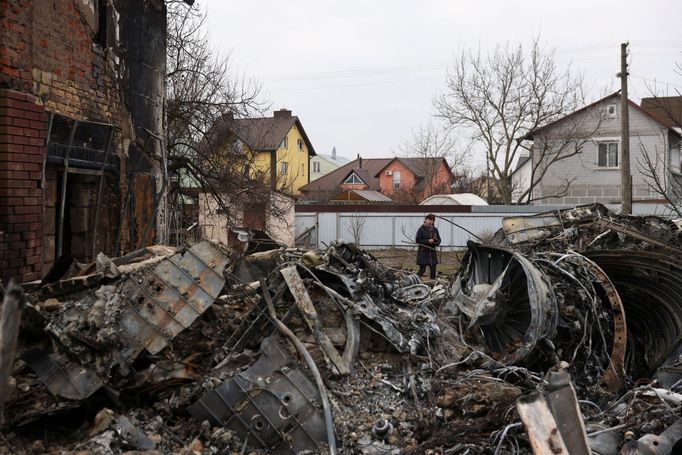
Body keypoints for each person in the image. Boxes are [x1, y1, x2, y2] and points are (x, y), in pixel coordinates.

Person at [415, 213, 441, 279]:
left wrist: (435, 241)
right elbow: (418, 240)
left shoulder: (435, 230)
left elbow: (439, 240)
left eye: (432, 220)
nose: (430, 221)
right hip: (423, 253)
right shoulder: (421, 229)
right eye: (429, 219)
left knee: (433, 270)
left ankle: (432, 284)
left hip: (432, 253)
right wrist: (428, 241)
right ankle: (414, 280)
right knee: (422, 269)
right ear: (426, 220)